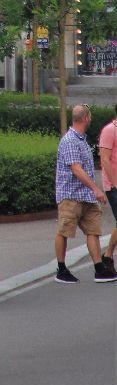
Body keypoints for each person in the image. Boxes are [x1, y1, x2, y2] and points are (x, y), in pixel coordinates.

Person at [54, 103, 116, 283]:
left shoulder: (82, 139)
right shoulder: (70, 140)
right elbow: (76, 169)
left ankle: (99, 268)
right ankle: (61, 268)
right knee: (64, 231)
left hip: (86, 196)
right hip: (71, 195)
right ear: (86, 118)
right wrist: (96, 188)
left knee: (93, 230)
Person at [98, 103, 117, 276]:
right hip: (113, 186)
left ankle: (108, 256)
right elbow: (104, 160)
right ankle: (108, 256)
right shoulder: (109, 130)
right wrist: (114, 183)